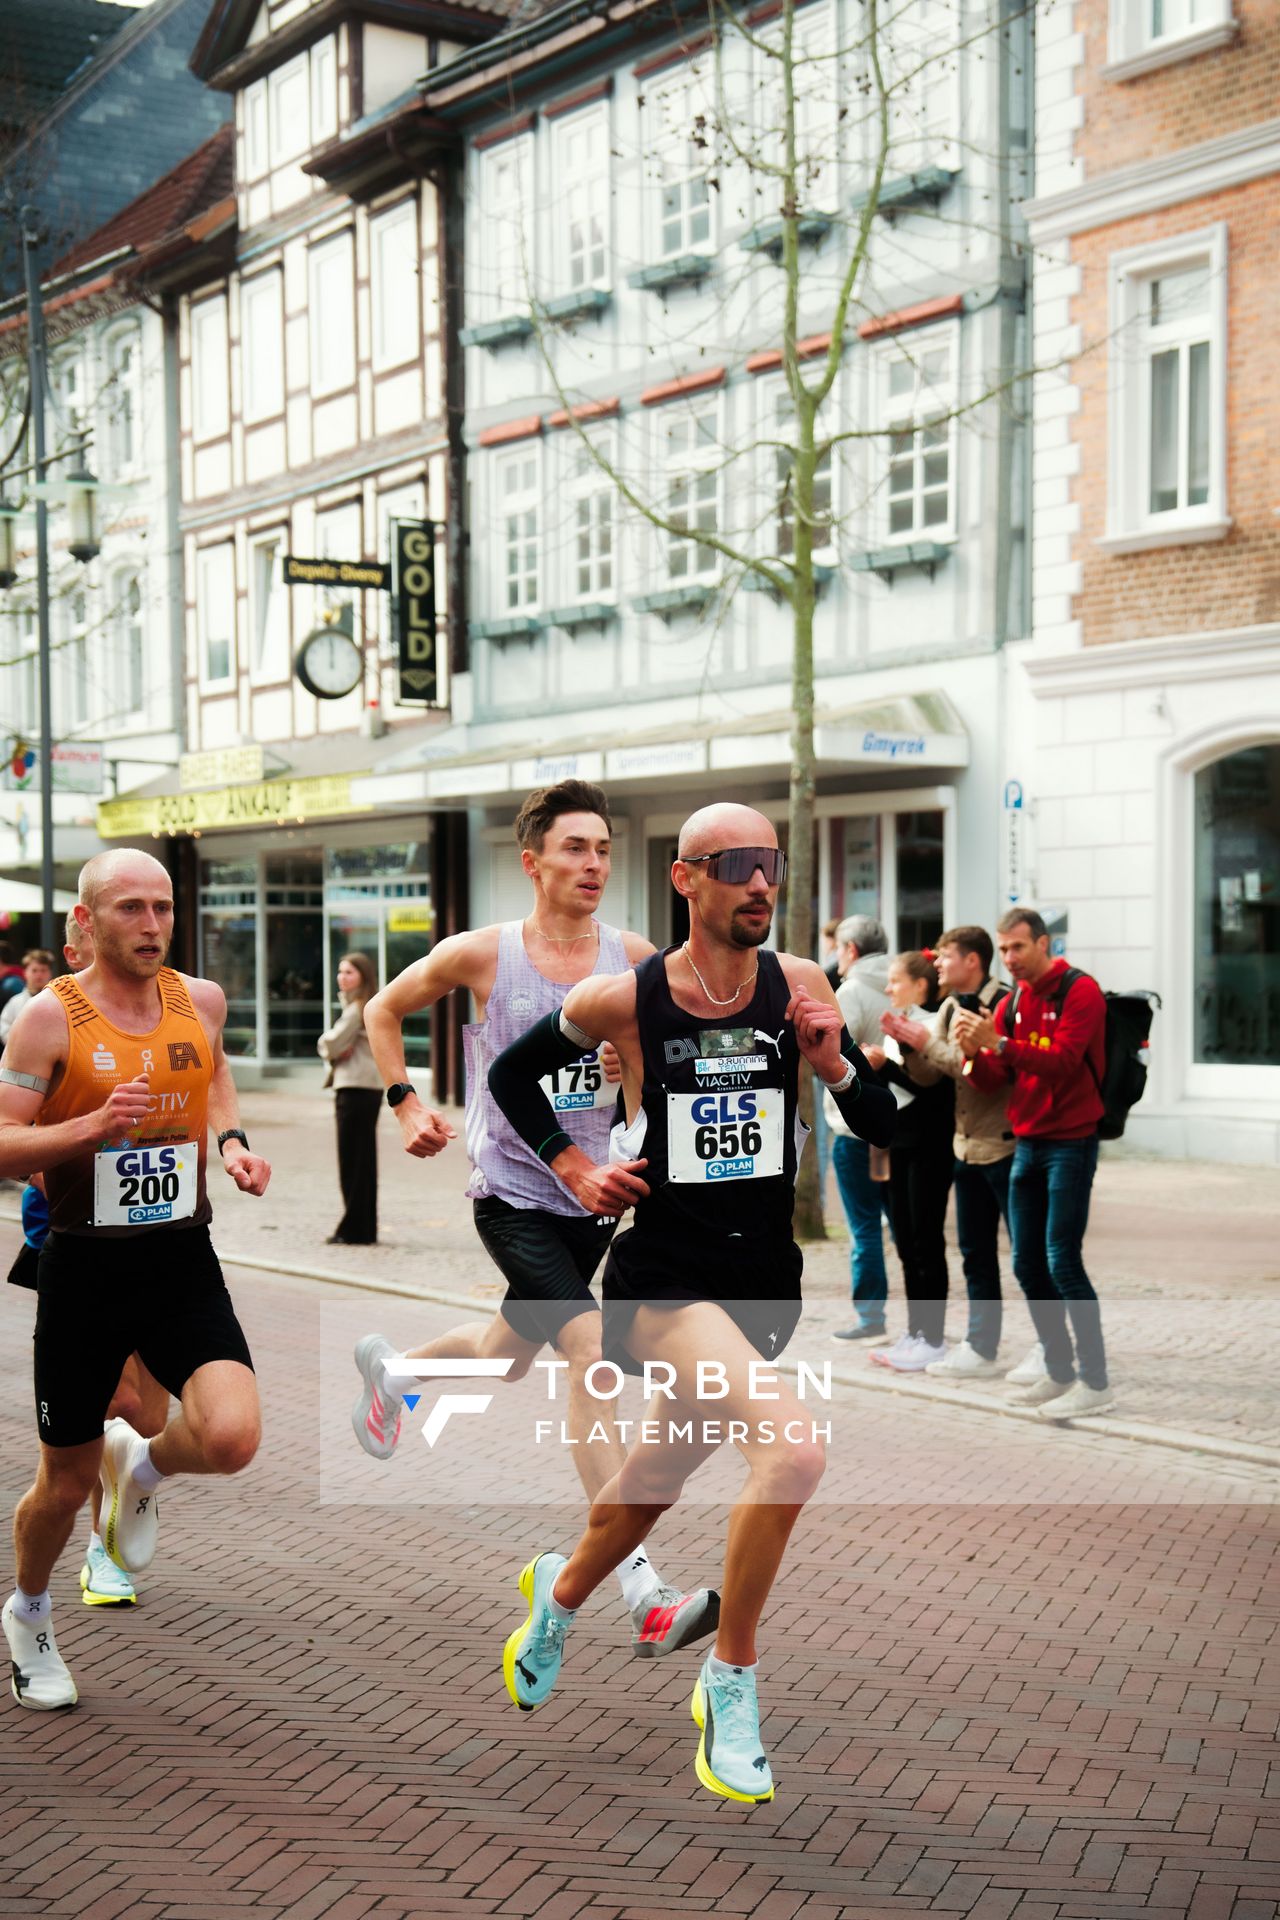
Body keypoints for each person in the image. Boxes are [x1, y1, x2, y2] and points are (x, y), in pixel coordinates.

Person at [486, 803, 895, 1802]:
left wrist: (836, 1063)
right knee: (793, 1451)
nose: (760, 882)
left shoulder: (799, 984)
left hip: (762, 1285)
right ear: (686, 879)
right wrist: (573, 1165)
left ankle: (557, 1598)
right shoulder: (622, 1000)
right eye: (737, 864)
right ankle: (730, 1681)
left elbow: (885, 1125)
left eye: (771, 864)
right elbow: (509, 1076)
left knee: (651, 1484)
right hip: (663, 1280)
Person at [350, 779, 716, 1659]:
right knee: (590, 1352)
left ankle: (393, 1372)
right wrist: (405, 1103)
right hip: (511, 1196)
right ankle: (640, 1586)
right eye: (575, 848)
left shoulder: (633, 957)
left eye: (603, 851)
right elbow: (381, 1009)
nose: (594, 864)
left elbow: (658, 1065)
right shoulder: (484, 954)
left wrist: (638, 1096)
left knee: (504, 1356)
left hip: (595, 1202)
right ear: (533, 862)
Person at [0, 848, 271, 1710]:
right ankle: (29, 1613)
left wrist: (231, 1142)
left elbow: (213, 1067)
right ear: (86, 921)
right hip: (83, 1266)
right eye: (130, 908)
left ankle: (143, 1469)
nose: (152, 925)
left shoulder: (202, 1000)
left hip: (182, 1254)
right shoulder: (49, 1018)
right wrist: (88, 1129)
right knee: (63, 1483)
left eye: (163, 907)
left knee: (231, 1438)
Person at [955, 908, 1113, 1420]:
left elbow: (1063, 1062)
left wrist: (998, 1043)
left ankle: (1096, 1383)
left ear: (1044, 944)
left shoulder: (1080, 991)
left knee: (1062, 1260)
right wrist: (973, 1054)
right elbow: (993, 1079)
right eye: (1003, 948)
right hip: (1027, 1142)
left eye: (1017, 947)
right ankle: (1060, 1371)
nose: (1009, 958)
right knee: (1026, 1262)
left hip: (1072, 1142)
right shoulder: (1016, 999)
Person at [884, 925, 1015, 1379]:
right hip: (964, 1144)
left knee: (1028, 1258)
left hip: (1001, 1142)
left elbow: (973, 1069)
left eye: (945, 956)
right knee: (974, 1253)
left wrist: (926, 1044)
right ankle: (979, 1345)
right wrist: (909, 1046)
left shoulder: (1004, 1003)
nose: (937, 963)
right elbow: (930, 1075)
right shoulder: (949, 1008)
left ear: (971, 961)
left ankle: (1046, 1353)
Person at [862, 951, 955, 1372]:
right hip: (896, 1144)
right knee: (903, 1241)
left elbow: (932, 1090)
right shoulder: (895, 1025)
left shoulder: (934, 1025)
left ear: (920, 985)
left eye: (895, 980)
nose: (888, 988)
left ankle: (932, 1336)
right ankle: (916, 1330)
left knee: (925, 1240)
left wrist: (886, 1067)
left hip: (929, 1145)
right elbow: (893, 1090)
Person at [827, 916, 895, 1342]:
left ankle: (871, 1317)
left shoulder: (850, 992)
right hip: (897, 1120)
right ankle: (923, 1326)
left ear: (851, 950)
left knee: (864, 1226)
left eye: (838, 947)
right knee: (900, 1225)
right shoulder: (902, 982)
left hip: (856, 1128)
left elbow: (834, 1054)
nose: (835, 956)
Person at [318, 951, 381, 1246]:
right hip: (367, 1090)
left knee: (352, 1162)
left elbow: (329, 1044)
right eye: (340, 971)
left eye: (349, 972)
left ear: (363, 977)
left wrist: (328, 1045)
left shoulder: (356, 1009)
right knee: (363, 1162)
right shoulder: (367, 1006)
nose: (341, 977)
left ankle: (354, 1229)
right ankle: (363, 1228)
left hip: (354, 1089)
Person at [0, 949, 55, 1048]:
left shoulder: (58, 1001)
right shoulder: (15, 1002)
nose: (39, 975)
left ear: (50, 973)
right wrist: (19, 1046)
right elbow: (4, 1027)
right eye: (34, 970)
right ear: (25, 972)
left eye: (43, 970)